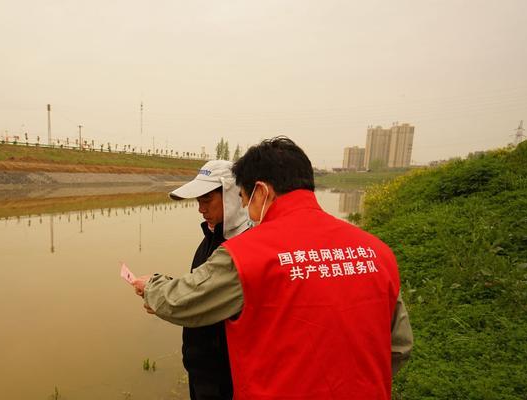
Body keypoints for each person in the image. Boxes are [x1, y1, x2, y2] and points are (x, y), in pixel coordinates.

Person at [134, 137, 413, 400]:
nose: (244, 207)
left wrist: (151, 286)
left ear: (261, 191)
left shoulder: (247, 254)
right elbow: (399, 347)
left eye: (244, 197)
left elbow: (183, 301)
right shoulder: (376, 252)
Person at [166, 159, 251, 400]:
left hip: (228, 376)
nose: (201, 209)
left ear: (232, 197)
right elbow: (201, 288)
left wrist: (159, 291)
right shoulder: (211, 237)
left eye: (206, 201)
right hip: (201, 370)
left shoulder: (245, 247)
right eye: (198, 202)